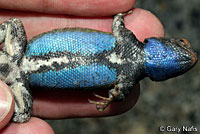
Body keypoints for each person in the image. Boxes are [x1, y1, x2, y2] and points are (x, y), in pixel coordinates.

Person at [0, 0, 164, 133]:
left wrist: (119, 16)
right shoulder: (126, 82)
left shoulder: (127, 50)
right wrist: (113, 97)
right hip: (18, 73)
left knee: (12, 24)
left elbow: (117, 22)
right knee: (22, 115)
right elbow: (116, 95)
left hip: (17, 62)